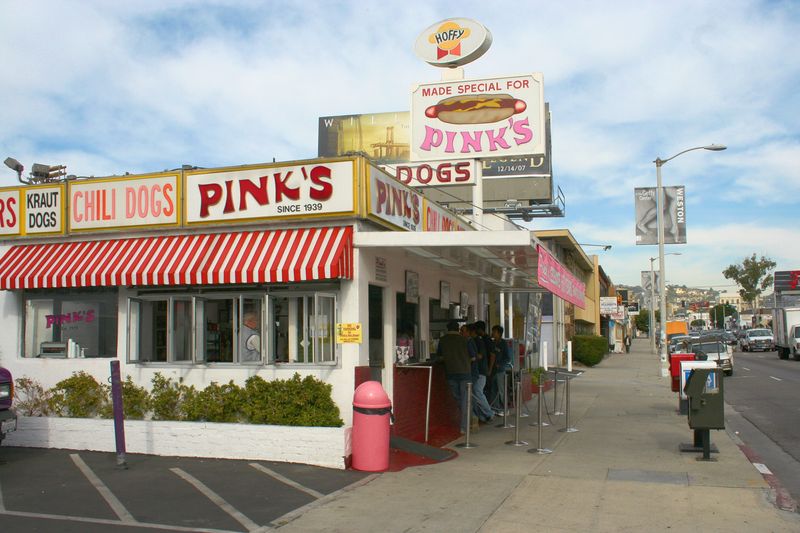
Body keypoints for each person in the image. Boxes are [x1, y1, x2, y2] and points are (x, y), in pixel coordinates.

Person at [436, 320, 471, 434]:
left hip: (451, 372)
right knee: (465, 399)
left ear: (447, 329)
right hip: (465, 372)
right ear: (458, 329)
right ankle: (465, 425)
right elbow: (472, 356)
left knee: (459, 399)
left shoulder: (443, 340)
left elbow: (439, 357)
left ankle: (467, 419)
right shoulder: (464, 340)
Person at [467, 323, 494, 423]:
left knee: (477, 391)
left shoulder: (477, 341)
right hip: (480, 371)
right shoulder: (477, 340)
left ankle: (489, 413)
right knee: (475, 392)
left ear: (472, 331)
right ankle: (483, 415)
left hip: (480, 371)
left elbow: (480, 356)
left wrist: (469, 358)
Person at [489, 325, 512, 411]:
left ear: (499, 333)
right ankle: (496, 408)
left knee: (501, 390)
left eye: (494, 332)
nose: (492, 333)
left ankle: (505, 409)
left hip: (500, 371)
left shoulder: (503, 344)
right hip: (493, 370)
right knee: (493, 390)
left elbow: (508, 358)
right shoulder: (492, 343)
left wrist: (500, 364)